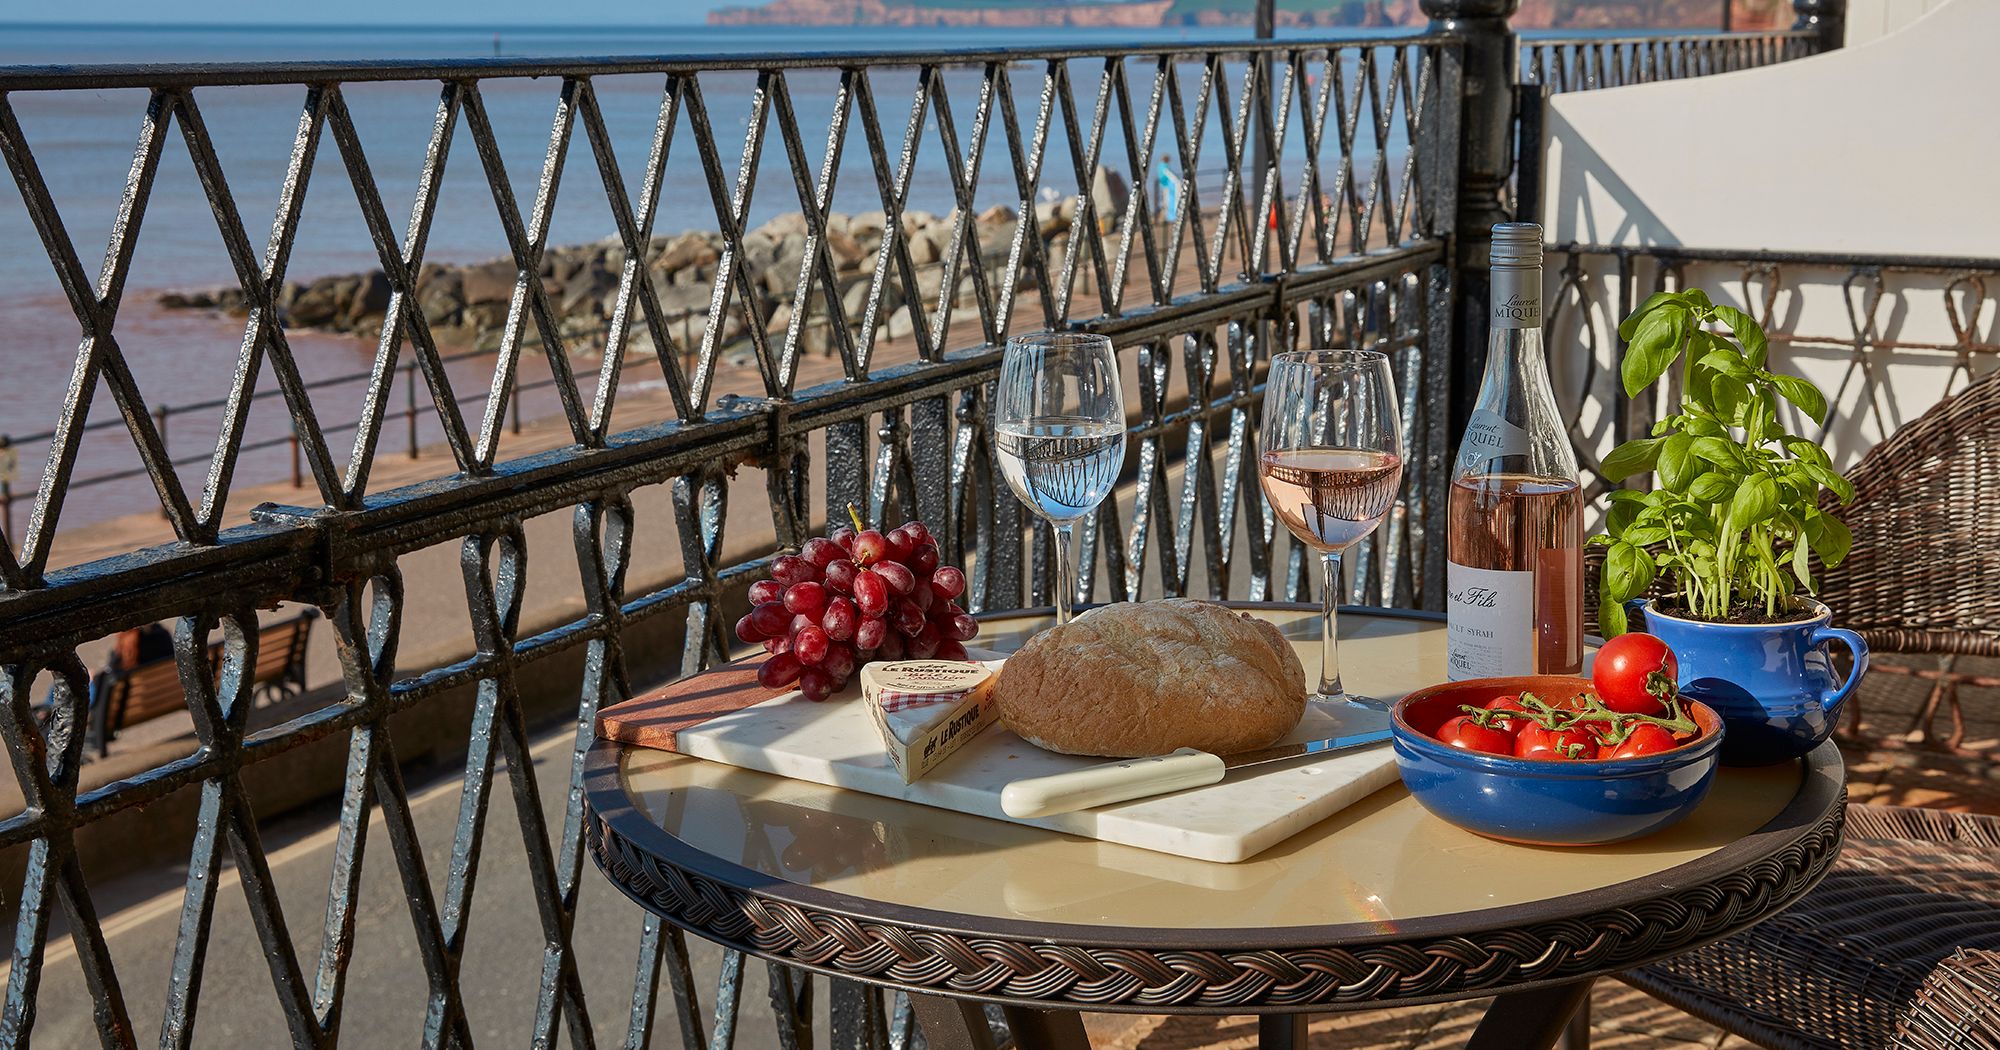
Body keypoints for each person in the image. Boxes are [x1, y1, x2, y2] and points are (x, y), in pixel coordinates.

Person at [1154, 153, 1182, 222]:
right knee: (1169, 200)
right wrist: (1177, 182)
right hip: (1169, 186)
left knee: (1166, 200)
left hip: (1164, 185)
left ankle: (1168, 216)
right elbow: (1169, 175)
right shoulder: (1164, 166)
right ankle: (1171, 216)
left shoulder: (1160, 166)